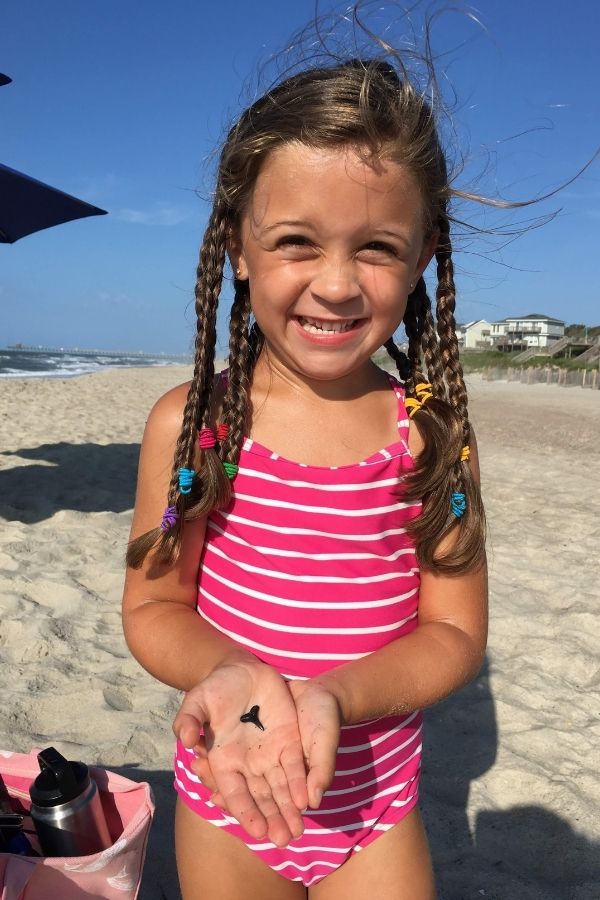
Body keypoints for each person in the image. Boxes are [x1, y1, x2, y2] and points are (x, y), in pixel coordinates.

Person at [122, 50, 488, 900]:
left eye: (377, 248)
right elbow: (153, 606)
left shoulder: (431, 434)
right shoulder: (194, 424)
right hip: (229, 799)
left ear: (425, 254)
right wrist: (236, 674)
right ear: (238, 246)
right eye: (296, 242)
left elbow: (458, 634)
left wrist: (336, 695)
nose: (335, 284)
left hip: (375, 811)